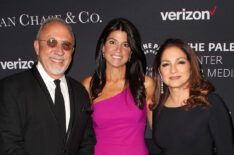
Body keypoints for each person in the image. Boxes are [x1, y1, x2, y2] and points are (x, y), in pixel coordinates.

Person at [0, 17, 95, 155]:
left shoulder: (80, 92)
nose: (59, 51)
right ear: (37, 47)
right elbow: (9, 146)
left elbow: (86, 143)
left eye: (66, 45)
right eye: (52, 42)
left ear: (72, 51)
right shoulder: (10, 89)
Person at [82, 18, 155, 155]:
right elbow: (80, 136)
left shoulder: (145, 84)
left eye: (125, 44)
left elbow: (161, 133)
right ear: (103, 47)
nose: (118, 50)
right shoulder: (89, 85)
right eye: (112, 42)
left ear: (131, 51)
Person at [151, 38, 234, 155]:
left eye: (180, 62)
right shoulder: (158, 106)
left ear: (191, 66)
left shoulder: (210, 102)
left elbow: (226, 150)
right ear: (160, 71)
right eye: (166, 64)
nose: (173, 70)